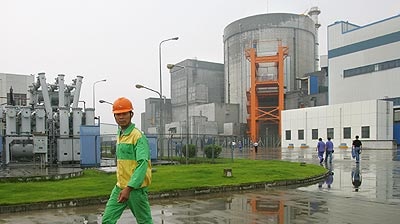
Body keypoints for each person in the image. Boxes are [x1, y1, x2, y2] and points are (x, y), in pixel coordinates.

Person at [102, 97, 153, 224]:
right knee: (107, 220)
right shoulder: (121, 133)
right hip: (120, 187)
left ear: (131, 114)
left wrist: (129, 188)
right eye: (118, 114)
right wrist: (123, 187)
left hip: (135, 190)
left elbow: (142, 164)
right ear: (114, 116)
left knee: (144, 222)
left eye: (124, 113)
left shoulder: (138, 136)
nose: (121, 117)